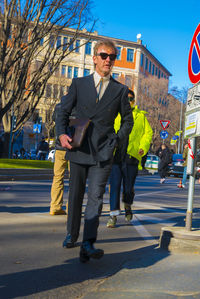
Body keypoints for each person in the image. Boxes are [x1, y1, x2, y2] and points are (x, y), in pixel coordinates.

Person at [56, 39, 133, 262]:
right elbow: (62, 111)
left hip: (103, 151)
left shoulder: (120, 90)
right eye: (103, 55)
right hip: (79, 146)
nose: (108, 60)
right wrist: (61, 134)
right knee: (76, 194)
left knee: (96, 196)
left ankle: (88, 243)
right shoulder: (79, 84)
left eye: (112, 57)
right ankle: (72, 234)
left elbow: (127, 121)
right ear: (94, 58)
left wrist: (116, 141)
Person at [107, 89, 153, 228]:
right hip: (116, 156)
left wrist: (143, 148)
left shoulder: (140, 116)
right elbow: (107, 129)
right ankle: (113, 216)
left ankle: (127, 205)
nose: (128, 101)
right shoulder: (115, 114)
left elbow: (148, 133)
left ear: (134, 100)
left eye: (131, 99)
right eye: (125, 98)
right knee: (114, 187)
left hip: (132, 157)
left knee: (128, 188)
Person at [50, 104, 68, 215]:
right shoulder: (78, 104)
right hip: (74, 147)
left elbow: (54, 119)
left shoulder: (59, 106)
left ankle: (55, 206)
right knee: (74, 179)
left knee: (57, 177)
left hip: (60, 146)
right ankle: (72, 207)